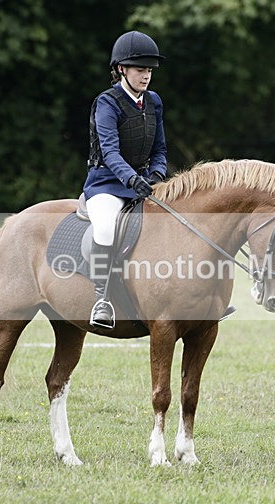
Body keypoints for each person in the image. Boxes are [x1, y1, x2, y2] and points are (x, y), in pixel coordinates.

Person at [84, 30, 168, 328]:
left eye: (149, 70)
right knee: (105, 229)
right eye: (139, 69)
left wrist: (157, 174)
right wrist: (132, 180)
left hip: (143, 182)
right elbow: (109, 151)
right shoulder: (107, 103)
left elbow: (159, 148)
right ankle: (101, 299)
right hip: (106, 184)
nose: (146, 76)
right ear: (122, 69)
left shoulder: (154, 101)